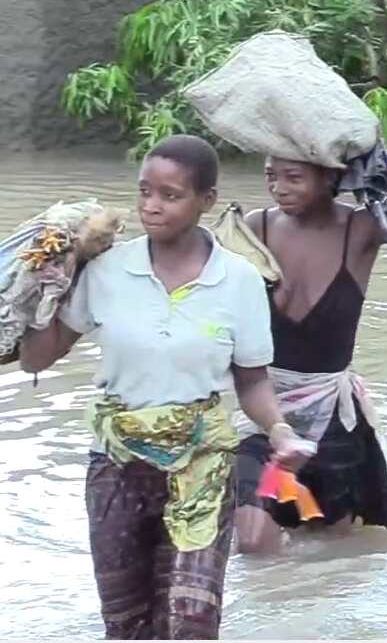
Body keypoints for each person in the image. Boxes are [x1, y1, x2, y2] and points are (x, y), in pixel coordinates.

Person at [17, 135, 308, 639]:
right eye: (144, 192)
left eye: (170, 195)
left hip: (203, 467)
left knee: (191, 621)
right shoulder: (106, 270)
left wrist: (279, 430)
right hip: (117, 466)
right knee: (127, 624)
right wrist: (45, 289)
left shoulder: (239, 280)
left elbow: (253, 381)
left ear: (206, 201)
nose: (151, 206)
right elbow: (36, 360)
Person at [233, 157, 387, 554]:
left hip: (330, 414)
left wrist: (381, 162)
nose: (278, 188)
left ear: (329, 178)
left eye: (294, 178)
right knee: (252, 537)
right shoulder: (256, 226)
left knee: (331, 541)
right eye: (271, 176)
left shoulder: (360, 229)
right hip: (261, 407)